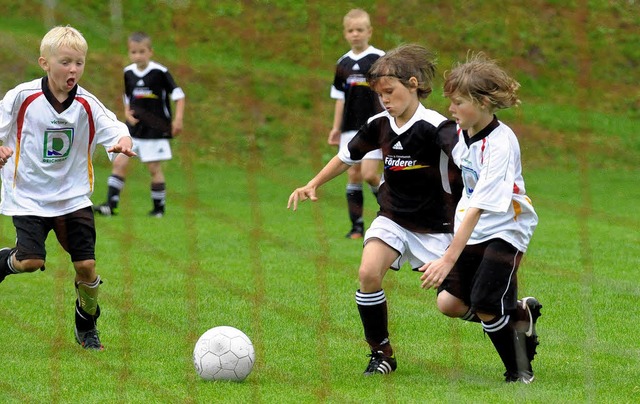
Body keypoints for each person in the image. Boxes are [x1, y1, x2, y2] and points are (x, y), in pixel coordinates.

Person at [289, 44, 462, 375]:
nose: (385, 99)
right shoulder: (379, 124)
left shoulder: (437, 127)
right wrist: (313, 183)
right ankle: (381, 352)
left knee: (455, 305)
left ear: (413, 84)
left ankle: (510, 316)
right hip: (392, 217)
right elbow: (347, 156)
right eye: (380, 94)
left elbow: (470, 166)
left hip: (437, 226)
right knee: (368, 273)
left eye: (390, 92)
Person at [0, 26, 136, 350]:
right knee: (30, 261)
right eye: (65, 62)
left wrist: (123, 141)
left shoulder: (87, 103)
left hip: (73, 198)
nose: (73, 69)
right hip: (29, 197)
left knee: (86, 267)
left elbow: (115, 127)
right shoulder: (23, 97)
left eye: (79, 63)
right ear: (44, 63)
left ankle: (86, 323)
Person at [419, 53, 542, 383]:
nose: (452, 109)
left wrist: (447, 258)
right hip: (474, 228)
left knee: (486, 302)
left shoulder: (502, 144)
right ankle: (519, 314)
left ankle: (519, 372)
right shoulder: (464, 133)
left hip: (507, 227)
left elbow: (478, 206)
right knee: (449, 303)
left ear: (484, 102)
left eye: (459, 102)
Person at [94, 31, 185, 218]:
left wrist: (178, 120)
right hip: (134, 129)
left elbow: (179, 95)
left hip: (155, 130)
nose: (138, 56)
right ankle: (110, 206)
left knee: (153, 168)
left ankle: (158, 209)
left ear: (150, 52)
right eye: (133, 52)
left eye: (142, 51)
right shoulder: (128, 72)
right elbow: (127, 95)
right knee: (119, 163)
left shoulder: (160, 72)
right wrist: (127, 112)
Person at [328, 9, 385, 239]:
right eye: (351, 30)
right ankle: (357, 226)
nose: (355, 34)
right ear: (345, 34)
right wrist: (336, 127)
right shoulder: (343, 63)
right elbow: (340, 98)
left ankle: (393, 209)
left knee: (371, 174)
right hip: (350, 128)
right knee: (353, 174)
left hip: (375, 126)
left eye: (360, 30)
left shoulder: (380, 59)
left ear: (369, 32)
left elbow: (388, 92)